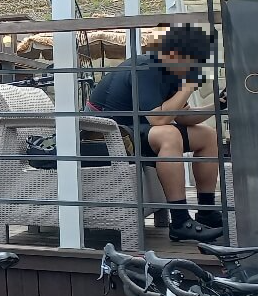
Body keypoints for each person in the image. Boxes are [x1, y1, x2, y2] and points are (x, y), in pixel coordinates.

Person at [85, 24, 224, 243]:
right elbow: (158, 119)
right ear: (173, 54)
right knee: (168, 134)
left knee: (207, 135)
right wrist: (187, 88)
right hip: (105, 136)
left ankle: (206, 211)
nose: (197, 67)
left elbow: (183, 116)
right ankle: (180, 222)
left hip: (134, 134)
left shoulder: (173, 72)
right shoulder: (146, 68)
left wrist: (218, 105)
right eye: (195, 61)